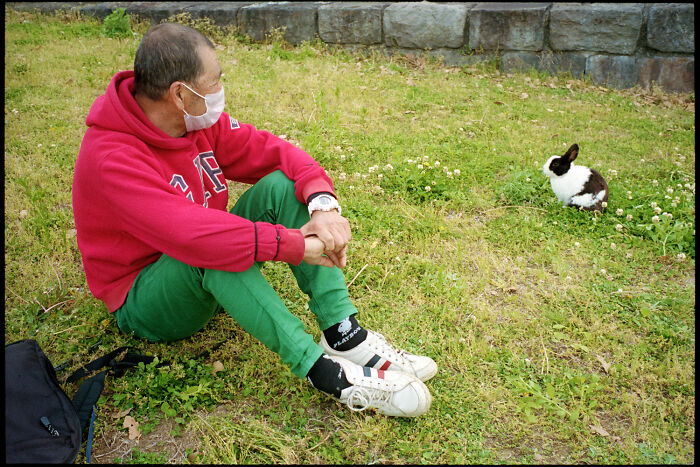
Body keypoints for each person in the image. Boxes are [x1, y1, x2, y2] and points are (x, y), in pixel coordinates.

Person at [72, 23, 437, 417]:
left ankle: (343, 333)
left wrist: (322, 203)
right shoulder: (112, 157)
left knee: (283, 186)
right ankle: (324, 372)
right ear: (180, 94)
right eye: (214, 83)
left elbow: (276, 153)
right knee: (213, 248)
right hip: (146, 300)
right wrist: (298, 246)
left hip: (204, 261)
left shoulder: (195, 123)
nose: (219, 92)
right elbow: (197, 238)